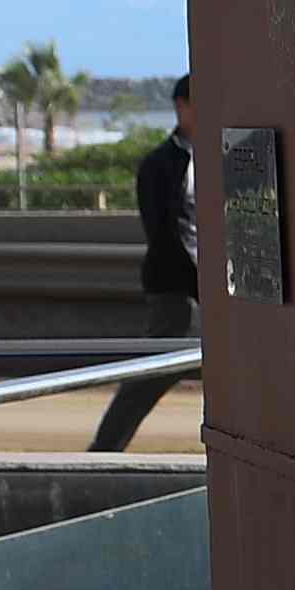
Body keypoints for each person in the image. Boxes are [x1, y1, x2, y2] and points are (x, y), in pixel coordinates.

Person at [89, 74, 199, 451]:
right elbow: (163, 232)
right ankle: (103, 454)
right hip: (175, 290)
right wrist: (200, 281)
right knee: (151, 376)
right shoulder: (160, 164)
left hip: (217, 290)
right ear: (181, 107)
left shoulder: (227, 155)